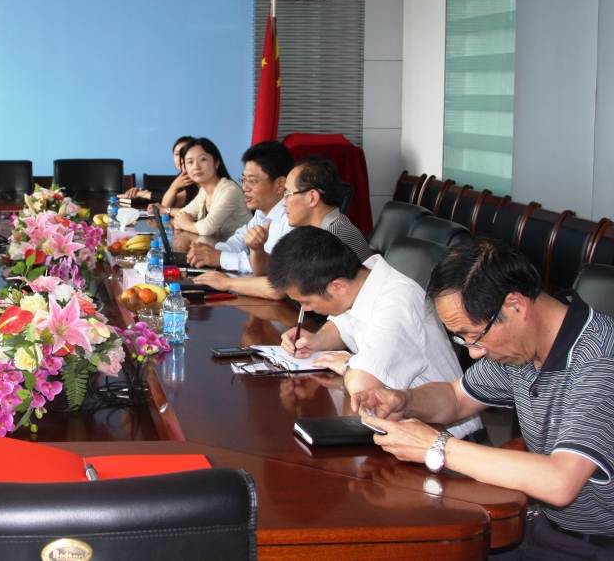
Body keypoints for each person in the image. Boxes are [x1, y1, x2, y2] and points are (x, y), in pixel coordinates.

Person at [354, 239, 614, 559]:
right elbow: (456, 397)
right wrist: (404, 399)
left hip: (596, 545)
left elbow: (561, 482)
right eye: (462, 340)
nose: (475, 353)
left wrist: (436, 447)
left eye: (474, 336)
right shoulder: (523, 346)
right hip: (542, 525)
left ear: (515, 306)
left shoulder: (601, 360)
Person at [267, 226, 481, 438]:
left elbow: (362, 388)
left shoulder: (396, 302)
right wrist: (317, 339)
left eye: (306, 302)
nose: (305, 309)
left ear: (338, 287)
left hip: (446, 437)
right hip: (405, 429)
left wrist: (349, 364)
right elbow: (342, 324)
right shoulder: (361, 280)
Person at [194, 155, 372, 298]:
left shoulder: (331, 235)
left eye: (288, 194)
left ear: (312, 198)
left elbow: (280, 288)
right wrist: (257, 250)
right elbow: (273, 271)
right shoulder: (316, 230)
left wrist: (226, 283)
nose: (284, 203)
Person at [186, 140, 294, 274]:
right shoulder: (261, 213)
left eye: (252, 181)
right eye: (244, 180)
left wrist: (220, 258)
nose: (245, 188)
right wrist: (213, 252)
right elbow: (240, 240)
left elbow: (276, 265)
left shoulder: (292, 218)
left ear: (280, 184)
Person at [168, 137, 252, 244]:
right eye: (190, 162)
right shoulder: (204, 191)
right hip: (217, 250)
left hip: (241, 251)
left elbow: (206, 228)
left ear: (216, 163)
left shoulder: (230, 190)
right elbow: (182, 214)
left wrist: (186, 224)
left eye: (203, 159)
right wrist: (181, 221)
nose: (196, 166)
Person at [120, 135, 198, 211]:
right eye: (176, 154)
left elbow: (165, 206)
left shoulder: (197, 180)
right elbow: (163, 194)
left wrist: (142, 193)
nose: (180, 158)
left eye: (184, 153)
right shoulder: (182, 176)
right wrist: (139, 191)